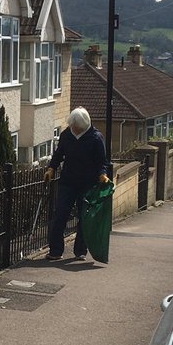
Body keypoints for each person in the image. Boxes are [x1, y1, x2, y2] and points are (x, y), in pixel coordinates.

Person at [43, 107, 110, 260]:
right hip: (68, 182)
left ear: (84, 125)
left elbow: (102, 161)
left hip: (88, 184)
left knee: (83, 218)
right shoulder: (67, 135)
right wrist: (51, 168)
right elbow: (59, 154)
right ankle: (55, 251)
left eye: (77, 127)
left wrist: (102, 174)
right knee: (60, 215)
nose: (74, 129)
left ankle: (80, 251)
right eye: (72, 126)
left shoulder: (96, 138)